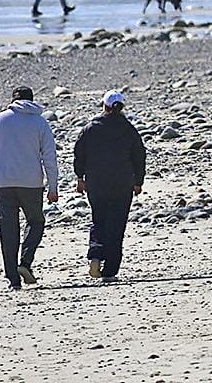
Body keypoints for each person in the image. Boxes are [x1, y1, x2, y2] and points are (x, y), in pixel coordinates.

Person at [0, 86, 60, 291]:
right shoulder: (40, 122)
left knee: (8, 230)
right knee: (35, 221)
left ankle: (13, 280)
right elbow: (49, 157)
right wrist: (53, 186)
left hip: (3, 182)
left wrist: (0, 162)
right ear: (32, 101)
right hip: (31, 182)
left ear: (13, 100)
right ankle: (25, 262)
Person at [73, 90, 147, 282]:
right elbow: (139, 157)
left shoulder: (91, 128)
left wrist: (80, 178)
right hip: (122, 183)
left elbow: (79, 154)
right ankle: (110, 271)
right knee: (117, 225)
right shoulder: (128, 129)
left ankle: (96, 255)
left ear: (103, 106)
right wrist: (138, 181)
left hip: (96, 183)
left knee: (99, 219)